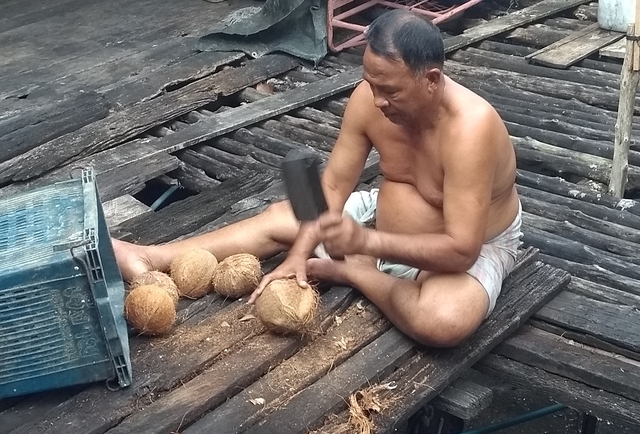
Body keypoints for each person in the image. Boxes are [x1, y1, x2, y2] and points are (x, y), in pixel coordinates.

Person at [114, 10, 522, 347]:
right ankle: (150, 256)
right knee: (282, 218)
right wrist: (298, 256)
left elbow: (460, 250)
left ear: (430, 80)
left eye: (391, 91)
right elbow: (330, 189)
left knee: (442, 322)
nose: (378, 101)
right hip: (378, 223)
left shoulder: (471, 129)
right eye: (370, 84)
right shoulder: (371, 100)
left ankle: (357, 273)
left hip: (467, 250)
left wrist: (364, 246)